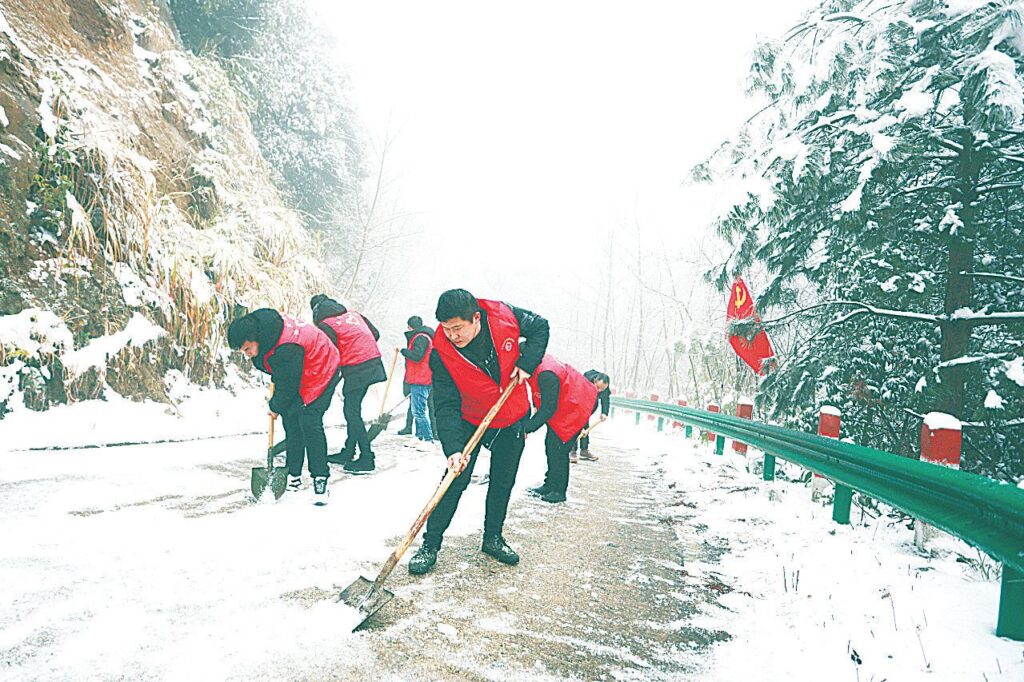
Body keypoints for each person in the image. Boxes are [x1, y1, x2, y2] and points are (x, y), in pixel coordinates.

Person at [407, 289, 549, 575]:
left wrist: (527, 363)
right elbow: (445, 403)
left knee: (502, 481)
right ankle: (430, 544)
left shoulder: (504, 316)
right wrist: (453, 449)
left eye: (457, 328)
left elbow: (541, 327)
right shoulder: (440, 352)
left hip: (511, 414)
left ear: (476, 318)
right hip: (470, 416)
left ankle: (492, 538)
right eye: (446, 329)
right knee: (453, 480)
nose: (452, 335)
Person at [227, 308, 341, 505]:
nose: (247, 355)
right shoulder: (265, 331)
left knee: (309, 421)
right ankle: (293, 475)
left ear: (256, 338)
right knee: (291, 420)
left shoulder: (286, 347)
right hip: (302, 367)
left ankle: (320, 479)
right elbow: (283, 373)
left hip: (323, 366)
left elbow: (288, 384)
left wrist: (275, 406)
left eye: (247, 350)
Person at [310, 294, 386, 473]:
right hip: (372, 363)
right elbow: (376, 333)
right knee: (353, 410)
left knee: (351, 412)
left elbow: (328, 352)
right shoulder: (354, 315)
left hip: (357, 367)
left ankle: (367, 458)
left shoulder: (325, 325)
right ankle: (348, 451)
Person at [522, 355, 600, 503]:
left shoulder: (547, 374)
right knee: (551, 445)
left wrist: (527, 428)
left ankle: (559, 491)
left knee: (559, 449)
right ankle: (549, 484)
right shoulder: (538, 363)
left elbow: (548, 409)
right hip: (566, 402)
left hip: (578, 404)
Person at [397, 315, 437, 441]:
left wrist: (403, 351)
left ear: (410, 326)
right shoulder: (425, 336)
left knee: (419, 412)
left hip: (420, 379)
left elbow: (417, 356)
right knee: (419, 408)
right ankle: (420, 436)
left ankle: (428, 437)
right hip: (424, 377)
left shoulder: (420, 338)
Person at [570, 370, 611, 463]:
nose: (599, 390)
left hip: (591, 404)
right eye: (598, 387)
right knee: (576, 425)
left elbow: (605, 399)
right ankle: (572, 450)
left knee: (585, 426)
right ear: (595, 381)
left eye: (602, 389)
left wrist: (604, 412)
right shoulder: (585, 379)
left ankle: (584, 450)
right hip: (578, 401)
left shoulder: (605, 388)